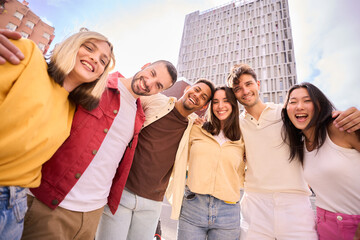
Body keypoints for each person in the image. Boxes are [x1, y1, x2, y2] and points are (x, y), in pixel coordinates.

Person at [20, 60, 177, 240]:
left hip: (93, 213)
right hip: (53, 204)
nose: (149, 83)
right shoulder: (96, 84)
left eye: (158, 85)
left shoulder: (139, 115)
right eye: (152, 73)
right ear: (145, 65)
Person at [0, 30, 115, 240]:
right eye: (89, 48)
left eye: (102, 61)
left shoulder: (72, 109)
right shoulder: (28, 56)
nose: (94, 59)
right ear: (72, 45)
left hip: (15, 205)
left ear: (100, 75)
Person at [226, 63, 360, 240]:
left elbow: (318, 121)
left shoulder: (286, 114)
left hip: (295, 203)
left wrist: (347, 117)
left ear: (258, 84)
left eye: (248, 84)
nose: (245, 91)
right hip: (255, 203)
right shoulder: (235, 125)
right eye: (237, 88)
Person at [95, 78, 215, 240]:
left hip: (152, 204)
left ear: (204, 106)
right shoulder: (157, 100)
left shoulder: (194, 128)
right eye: (197, 89)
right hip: (121, 192)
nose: (197, 95)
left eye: (204, 97)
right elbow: (125, 96)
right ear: (187, 88)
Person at [281, 82, 360, 240]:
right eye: (293, 101)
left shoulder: (339, 127)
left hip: (354, 225)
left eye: (307, 100)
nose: (299, 106)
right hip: (324, 225)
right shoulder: (300, 146)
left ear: (319, 105)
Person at [177, 86, 245, 240]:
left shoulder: (243, 137)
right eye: (215, 102)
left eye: (226, 101)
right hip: (193, 206)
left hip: (228, 212)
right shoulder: (197, 129)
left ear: (234, 105)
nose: (220, 106)